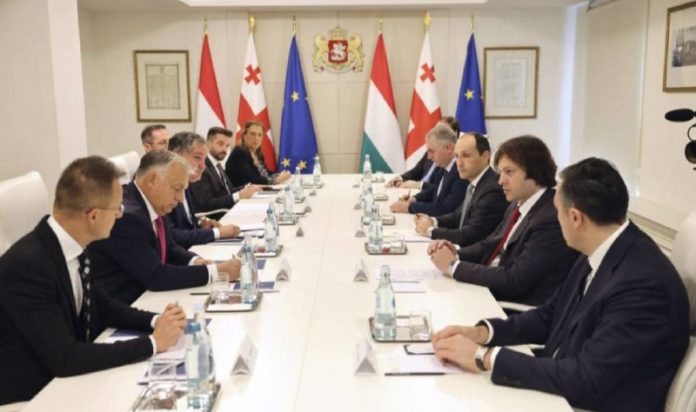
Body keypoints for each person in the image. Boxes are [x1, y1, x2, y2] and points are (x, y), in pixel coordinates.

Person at [432, 157, 690, 412]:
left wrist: (483, 357)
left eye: (557, 212)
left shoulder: (643, 284)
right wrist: (481, 334)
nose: (556, 219)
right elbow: (549, 315)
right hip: (561, 385)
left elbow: (587, 379)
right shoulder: (601, 247)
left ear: (576, 218)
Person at [0, 156, 186, 405]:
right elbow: (66, 358)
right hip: (31, 397)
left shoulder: (72, 245)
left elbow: (102, 306)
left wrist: (156, 321)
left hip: (65, 382)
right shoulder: (27, 266)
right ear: (94, 216)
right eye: (117, 208)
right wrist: (153, 344)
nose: (120, 215)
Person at [429, 135, 578, 306]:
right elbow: (491, 244)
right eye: (500, 173)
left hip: (514, 306)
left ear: (535, 171)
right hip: (491, 290)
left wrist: (453, 266)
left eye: (509, 172)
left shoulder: (551, 218)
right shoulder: (517, 203)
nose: (500, 181)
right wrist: (455, 252)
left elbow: (514, 280)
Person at [88, 150, 241, 304]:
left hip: (151, 297)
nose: (180, 198)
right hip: (131, 305)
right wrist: (215, 272)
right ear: (152, 180)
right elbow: (156, 277)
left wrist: (195, 261)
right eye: (177, 188)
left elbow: (170, 248)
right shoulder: (127, 217)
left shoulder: (152, 202)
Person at [414, 132, 508, 247]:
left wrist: (430, 231)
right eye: (457, 156)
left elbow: (469, 235)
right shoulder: (475, 182)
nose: (459, 163)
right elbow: (457, 216)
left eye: (466, 155)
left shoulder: (493, 190)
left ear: (485, 156)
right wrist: (433, 220)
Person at [166, 131, 241, 248]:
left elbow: (185, 224)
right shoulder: (165, 188)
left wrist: (201, 224)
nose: (203, 166)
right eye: (197, 158)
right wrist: (216, 233)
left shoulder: (186, 183)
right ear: (176, 155)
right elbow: (171, 236)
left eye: (204, 159)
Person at [389, 123, 468, 217]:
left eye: (431, 151)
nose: (429, 157)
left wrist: (408, 207)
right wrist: (415, 199)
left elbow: (444, 209)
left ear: (448, 148)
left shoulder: (461, 172)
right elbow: (435, 190)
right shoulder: (444, 166)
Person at [189, 127, 260, 220]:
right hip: (216, 218)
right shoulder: (202, 167)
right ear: (208, 144)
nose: (224, 149)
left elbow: (228, 191)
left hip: (230, 212)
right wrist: (238, 195)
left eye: (227, 146)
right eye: (220, 144)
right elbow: (206, 204)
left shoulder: (217, 164)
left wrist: (247, 187)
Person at [385, 116, 460, 190]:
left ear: (454, 133)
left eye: (442, 131)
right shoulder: (431, 152)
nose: (436, 134)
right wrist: (401, 178)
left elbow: (438, 188)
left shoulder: (450, 159)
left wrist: (419, 185)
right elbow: (416, 171)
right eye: (436, 130)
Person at [225, 120, 291, 187]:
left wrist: (280, 174)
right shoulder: (239, 153)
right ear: (244, 136)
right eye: (252, 134)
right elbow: (251, 180)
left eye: (260, 135)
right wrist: (275, 180)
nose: (256, 138)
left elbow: (265, 173)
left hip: (257, 190)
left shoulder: (258, 154)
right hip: (244, 192)